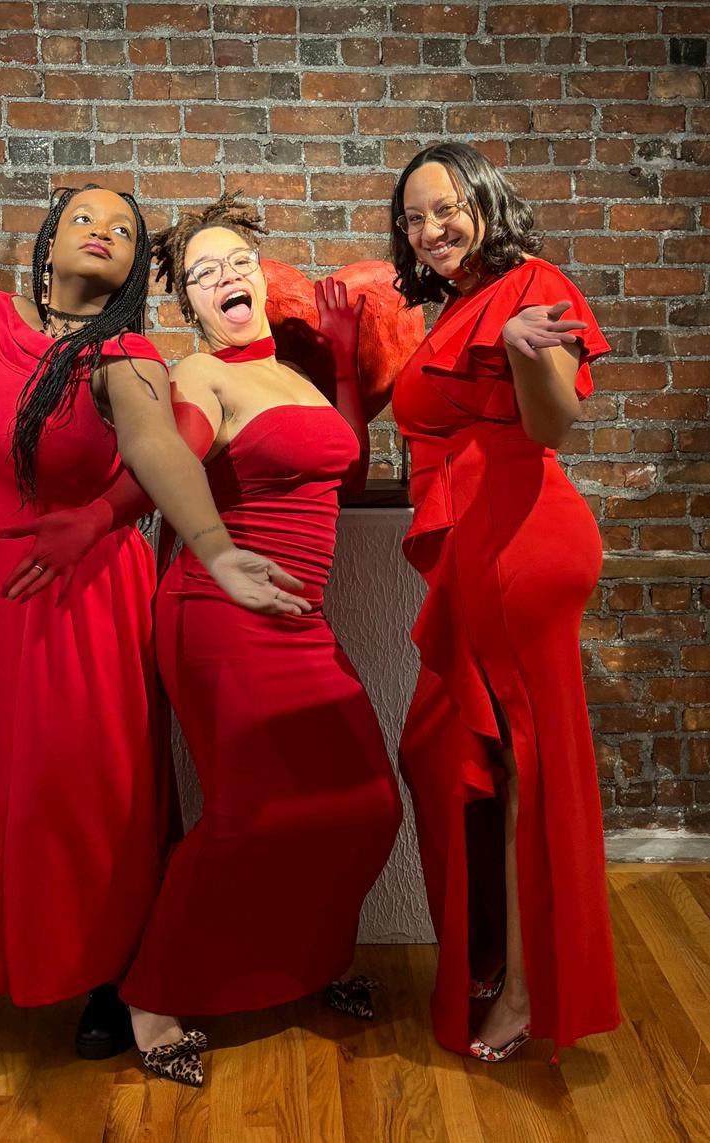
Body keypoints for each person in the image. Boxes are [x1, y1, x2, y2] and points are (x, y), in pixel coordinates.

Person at [0, 80, 306, 1061]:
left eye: (123, 226)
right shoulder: (2, 329)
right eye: (84, 216)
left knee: (81, 790)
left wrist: (216, 549)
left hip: (82, 597)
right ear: (50, 242)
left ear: (134, 265)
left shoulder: (127, 358)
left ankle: (112, 971)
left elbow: (160, 454)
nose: (102, 228)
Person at [116, 195, 403, 1087]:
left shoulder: (295, 376)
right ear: (190, 305)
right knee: (247, 815)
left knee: (368, 805)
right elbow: (160, 466)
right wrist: (89, 521)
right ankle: (151, 998)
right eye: (202, 273)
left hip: (300, 621)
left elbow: (343, 469)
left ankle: (307, 962)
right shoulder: (199, 377)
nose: (224, 277)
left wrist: (345, 362)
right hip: (217, 612)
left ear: (261, 276)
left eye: (235, 260)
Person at [390, 142, 620, 1061]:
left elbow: (552, 421)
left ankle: (527, 991)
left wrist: (526, 351)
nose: (431, 228)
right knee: (443, 751)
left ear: (484, 201)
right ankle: (493, 957)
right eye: (413, 217)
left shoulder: (531, 284)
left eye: (446, 206)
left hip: (520, 536)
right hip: (479, 540)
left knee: (529, 766)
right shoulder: (455, 304)